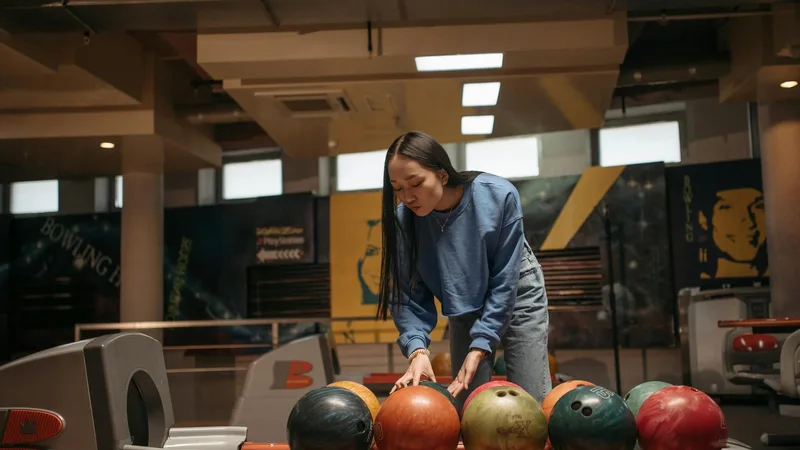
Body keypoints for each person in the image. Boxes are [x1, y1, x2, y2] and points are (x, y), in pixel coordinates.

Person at [376, 131, 551, 407]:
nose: (407, 197)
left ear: (443, 175)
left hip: (516, 294)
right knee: (468, 406)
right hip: (464, 303)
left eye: (416, 183)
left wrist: (480, 345)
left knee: (531, 402)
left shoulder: (498, 196)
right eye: (397, 188)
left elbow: (504, 283)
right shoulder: (404, 221)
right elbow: (408, 296)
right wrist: (417, 350)